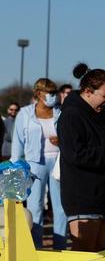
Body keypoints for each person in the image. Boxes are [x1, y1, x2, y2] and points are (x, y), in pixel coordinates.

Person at [57, 64, 105, 252]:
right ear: (88, 92)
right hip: (83, 196)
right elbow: (75, 155)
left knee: (101, 256)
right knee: (85, 256)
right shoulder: (71, 116)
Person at [11, 79, 67, 249]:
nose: (53, 96)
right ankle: (36, 249)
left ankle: (60, 248)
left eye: (54, 93)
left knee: (61, 208)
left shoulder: (61, 112)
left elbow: (70, 137)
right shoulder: (25, 113)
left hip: (57, 162)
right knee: (35, 208)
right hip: (34, 163)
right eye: (49, 93)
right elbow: (17, 141)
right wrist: (15, 166)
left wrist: (61, 141)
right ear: (38, 94)